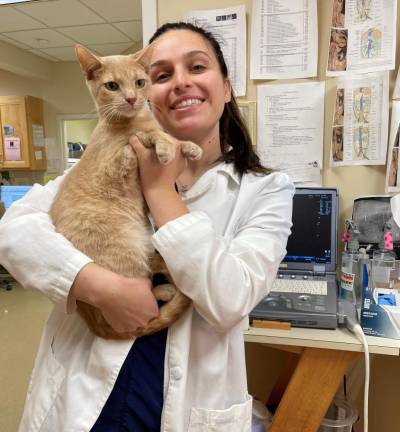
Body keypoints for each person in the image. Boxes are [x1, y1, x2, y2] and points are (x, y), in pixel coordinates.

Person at [0, 22, 294, 432]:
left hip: (180, 406)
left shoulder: (267, 189)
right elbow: (13, 231)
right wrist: (102, 287)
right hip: (85, 393)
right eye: (161, 75)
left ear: (226, 87)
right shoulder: (104, 153)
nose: (179, 83)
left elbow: (231, 298)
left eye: (196, 67)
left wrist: (159, 189)